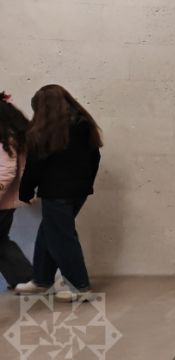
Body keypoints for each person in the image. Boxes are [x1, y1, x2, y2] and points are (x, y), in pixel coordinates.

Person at [15, 85, 102, 303]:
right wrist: (86, 183)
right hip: (79, 192)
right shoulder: (84, 124)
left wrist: (25, 191)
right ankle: (41, 280)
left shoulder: (45, 131)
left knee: (62, 238)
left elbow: (35, 165)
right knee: (49, 232)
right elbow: (95, 158)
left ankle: (79, 286)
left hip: (56, 193)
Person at [0, 92, 33, 289]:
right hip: (6, 201)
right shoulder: (12, 134)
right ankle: (24, 278)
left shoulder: (5, 137)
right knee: (1, 241)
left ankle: (26, 278)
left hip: (2, 201)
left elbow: (6, 172)